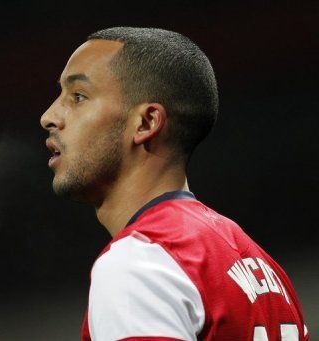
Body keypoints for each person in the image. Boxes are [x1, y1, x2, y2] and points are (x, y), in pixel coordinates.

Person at [40, 27, 309, 341]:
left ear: (146, 123)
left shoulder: (139, 263)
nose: (49, 116)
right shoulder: (260, 265)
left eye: (78, 97)